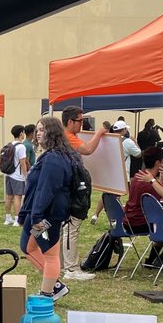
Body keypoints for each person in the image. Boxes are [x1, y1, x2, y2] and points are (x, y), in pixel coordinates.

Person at [18, 115, 79, 301]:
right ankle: (55, 285)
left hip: (47, 216)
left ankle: (47, 294)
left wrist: (36, 217)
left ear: (52, 132)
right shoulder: (51, 155)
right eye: (37, 130)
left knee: (50, 253)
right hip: (38, 213)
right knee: (28, 247)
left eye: (42, 130)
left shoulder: (54, 158)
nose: (38, 134)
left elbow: (46, 190)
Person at [58, 106, 109, 282]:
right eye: (81, 121)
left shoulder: (65, 137)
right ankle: (71, 269)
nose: (82, 124)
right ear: (70, 122)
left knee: (66, 229)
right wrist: (100, 133)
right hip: (70, 190)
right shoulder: (68, 138)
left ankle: (64, 265)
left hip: (65, 189)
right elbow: (87, 150)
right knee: (70, 229)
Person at [123, 146, 163, 268]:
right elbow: (162, 203)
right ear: (158, 163)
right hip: (140, 222)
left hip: (129, 220)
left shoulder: (138, 176)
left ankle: (153, 259)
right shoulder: (149, 183)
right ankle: (159, 259)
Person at [2, 124, 30, 227]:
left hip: (8, 174)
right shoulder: (21, 146)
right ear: (21, 133)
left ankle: (8, 218)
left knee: (9, 197)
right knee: (17, 197)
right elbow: (22, 163)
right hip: (17, 175)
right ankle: (17, 219)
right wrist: (26, 176)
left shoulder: (9, 144)